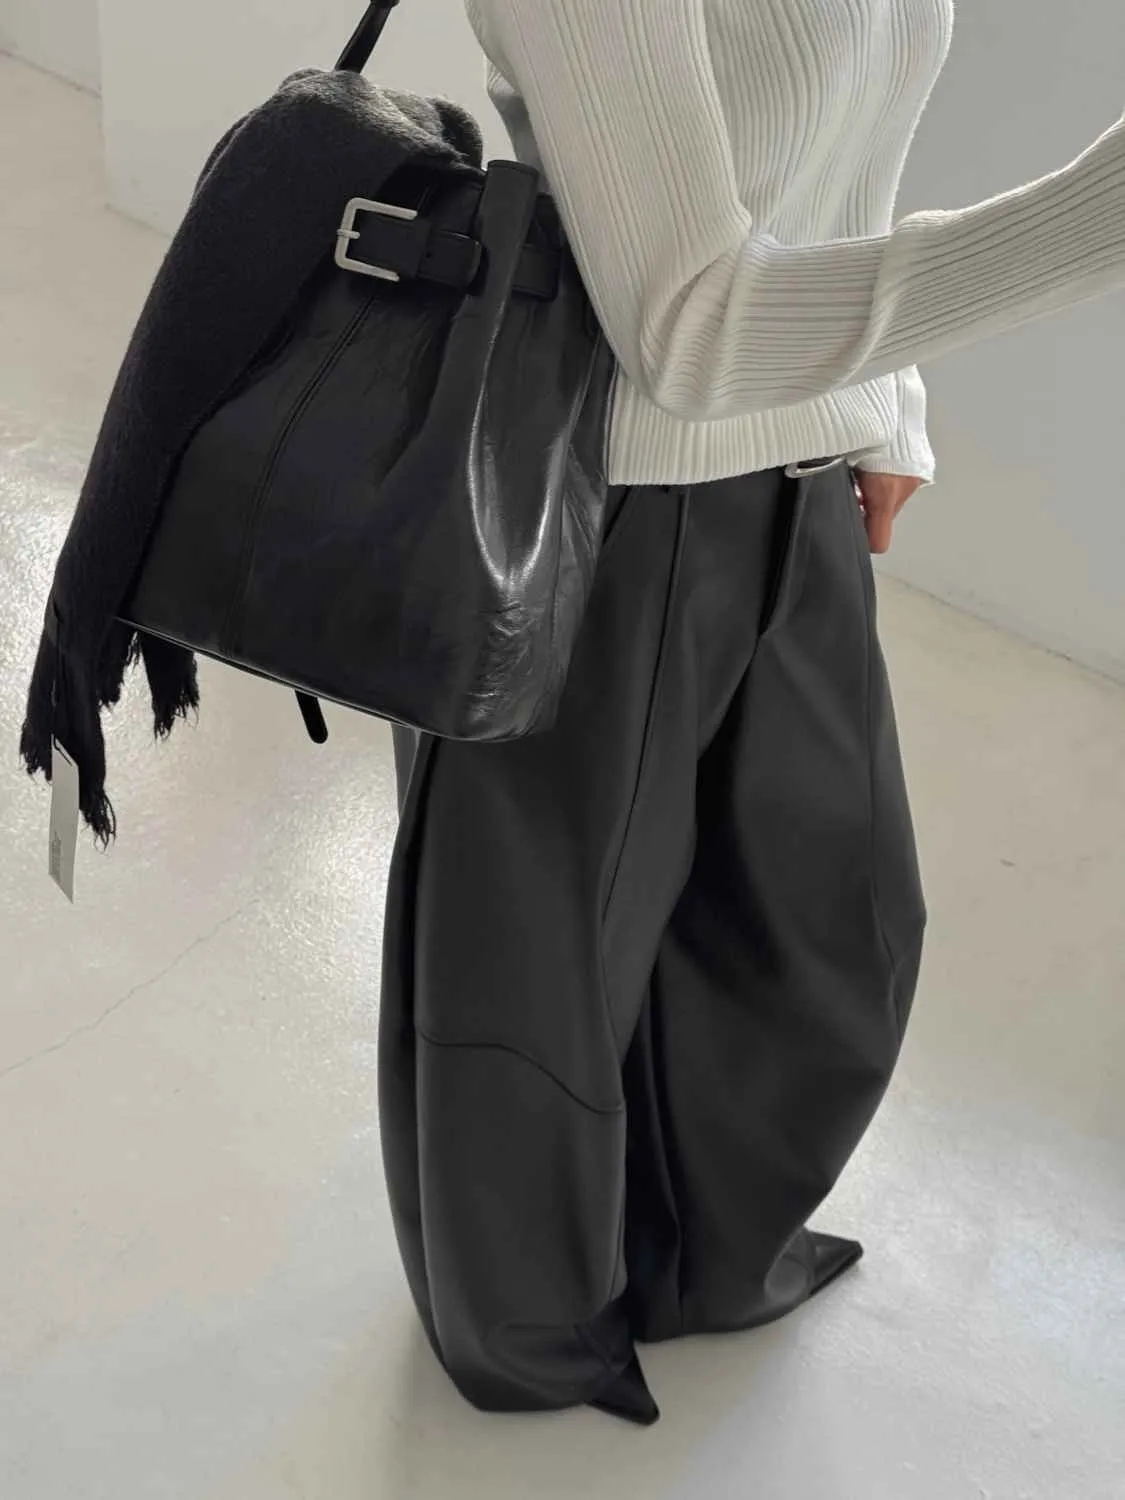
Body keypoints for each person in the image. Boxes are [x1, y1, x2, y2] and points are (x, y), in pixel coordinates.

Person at [378, 0, 1125, 1424]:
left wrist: (889, 405)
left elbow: (840, 165)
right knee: (536, 963)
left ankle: (705, 1258)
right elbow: (690, 330)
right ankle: (526, 1336)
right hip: (583, 494)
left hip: (801, 466)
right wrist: (1097, 217)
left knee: (831, 924)